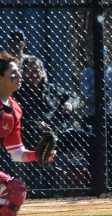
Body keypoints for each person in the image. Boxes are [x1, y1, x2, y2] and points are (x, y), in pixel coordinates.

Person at [0, 51, 55, 216]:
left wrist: (39, 156)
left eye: (19, 72)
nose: (20, 76)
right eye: (13, 73)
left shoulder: (14, 110)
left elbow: (16, 152)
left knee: (17, 190)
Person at [16, 56, 96, 187]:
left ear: (42, 72)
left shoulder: (52, 89)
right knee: (43, 153)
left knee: (93, 141)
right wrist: (35, 124)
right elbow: (17, 120)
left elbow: (74, 96)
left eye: (37, 70)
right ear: (23, 74)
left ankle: (95, 185)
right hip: (36, 138)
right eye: (30, 71)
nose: (34, 74)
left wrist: (70, 104)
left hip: (61, 134)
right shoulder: (19, 93)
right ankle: (43, 190)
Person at [80, 47, 112, 196]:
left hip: (109, 114)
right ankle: (94, 186)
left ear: (107, 57)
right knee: (92, 151)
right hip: (91, 115)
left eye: (103, 56)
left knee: (111, 151)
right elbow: (85, 97)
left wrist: (97, 91)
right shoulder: (86, 73)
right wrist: (105, 90)